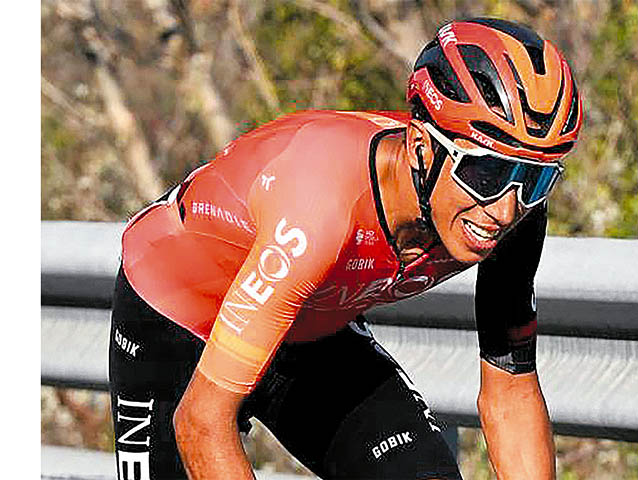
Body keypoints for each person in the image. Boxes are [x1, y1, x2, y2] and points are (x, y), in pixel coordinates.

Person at [109, 17, 582, 480]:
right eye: (485, 173)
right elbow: (201, 421)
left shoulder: (516, 213)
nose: (505, 209)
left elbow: (511, 389)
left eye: (536, 178)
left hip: (310, 327)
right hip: (179, 315)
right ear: (421, 147)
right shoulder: (323, 204)